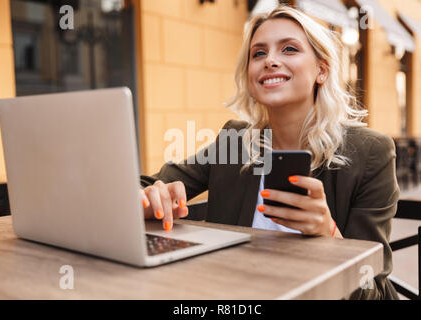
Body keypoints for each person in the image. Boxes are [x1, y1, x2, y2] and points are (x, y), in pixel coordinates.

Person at [139, 5, 399, 300]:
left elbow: (372, 292)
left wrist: (329, 234)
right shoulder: (235, 140)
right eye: (258, 53)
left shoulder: (372, 152)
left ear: (322, 70)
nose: (270, 61)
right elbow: (143, 187)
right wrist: (147, 200)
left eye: (289, 49)